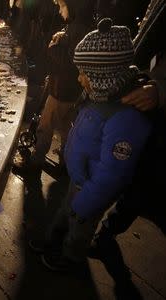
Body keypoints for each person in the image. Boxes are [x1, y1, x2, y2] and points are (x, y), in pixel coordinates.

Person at [39, 18, 153, 271]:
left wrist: (86, 203)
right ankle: (54, 240)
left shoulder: (126, 118)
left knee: (80, 223)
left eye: (84, 73)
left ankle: (72, 257)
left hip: (92, 188)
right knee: (65, 211)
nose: (79, 79)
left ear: (104, 77)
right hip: (79, 178)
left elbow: (113, 174)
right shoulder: (99, 96)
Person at [90, 0, 166, 255]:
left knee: (145, 177)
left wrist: (161, 90)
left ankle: (104, 234)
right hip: (138, 91)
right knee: (122, 166)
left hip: (156, 108)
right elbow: (144, 38)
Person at [18, 0, 95, 171]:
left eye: (62, 6)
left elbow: (68, 63)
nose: (60, 11)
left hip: (61, 88)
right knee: (67, 126)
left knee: (46, 124)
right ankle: (66, 160)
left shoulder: (76, 30)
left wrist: (53, 46)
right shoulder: (83, 28)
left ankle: (37, 159)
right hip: (73, 90)